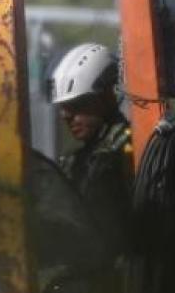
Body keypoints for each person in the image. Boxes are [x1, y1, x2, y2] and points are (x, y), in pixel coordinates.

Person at [50, 43, 134, 260]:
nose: (66, 116)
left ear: (108, 96)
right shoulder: (76, 160)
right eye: (63, 107)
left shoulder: (129, 152)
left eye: (77, 104)